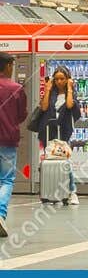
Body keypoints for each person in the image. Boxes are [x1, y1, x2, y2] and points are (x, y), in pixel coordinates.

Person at [39, 66, 81, 205]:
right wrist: (47, 89)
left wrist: (69, 87)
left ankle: (72, 191)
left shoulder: (71, 93)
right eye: (56, 79)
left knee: (64, 162)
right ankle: (51, 191)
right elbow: (44, 107)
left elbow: (69, 105)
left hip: (63, 131)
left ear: (67, 79)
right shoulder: (51, 93)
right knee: (49, 160)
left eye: (62, 79)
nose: (59, 81)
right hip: (48, 130)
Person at [0, 54, 27, 238]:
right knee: (6, 180)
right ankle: (0, 214)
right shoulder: (16, 88)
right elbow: (21, 115)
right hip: (8, 141)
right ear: (8, 66)